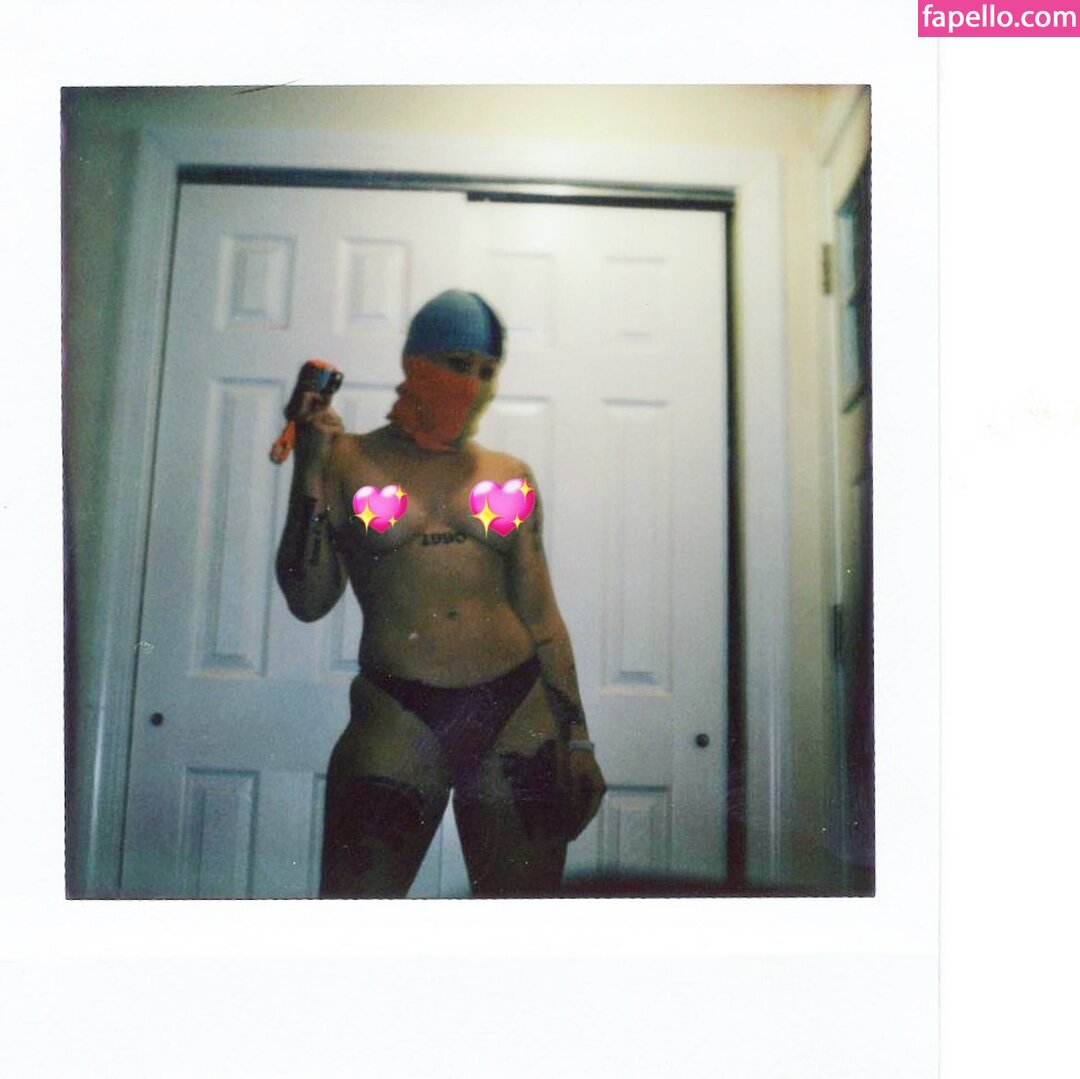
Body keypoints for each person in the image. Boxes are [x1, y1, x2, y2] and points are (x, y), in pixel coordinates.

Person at [275, 289, 606, 898]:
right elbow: (308, 599)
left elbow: (541, 614)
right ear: (415, 363)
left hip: (518, 710)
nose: (473, 385)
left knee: (523, 926)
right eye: (457, 364)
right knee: (353, 917)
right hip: (398, 712)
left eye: (487, 371)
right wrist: (310, 468)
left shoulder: (508, 475)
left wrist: (578, 738)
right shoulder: (348, 460)